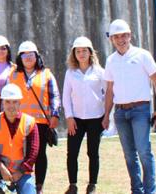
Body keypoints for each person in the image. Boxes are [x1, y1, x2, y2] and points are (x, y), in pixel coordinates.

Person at [102, 19, 156, 194]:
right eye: (116, 37)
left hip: (140, 110)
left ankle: (150, 191)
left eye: (124, 35)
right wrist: (106, 115)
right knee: (129, 155)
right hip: (120, 113)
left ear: (130, 36)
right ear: (111, 39)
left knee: (144, 150)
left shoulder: (142, 55)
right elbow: (109, 90)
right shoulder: (110, 60)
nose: (121, 39)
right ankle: (136, 190)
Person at [9, 41, 60, 194]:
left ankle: (39, 186)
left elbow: (54, 96)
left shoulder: (46, 74)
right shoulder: (14, 75)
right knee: (18, 153)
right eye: (24, 55)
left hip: (40, 123)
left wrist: (55, 114)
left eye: (31, 55)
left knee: (39, 154)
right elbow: (7, 97)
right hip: (19, 121)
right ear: (20, 58)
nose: (28, 58)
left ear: (37, 56)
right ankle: (19, 183)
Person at [0, 84, 38, 194]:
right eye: (7, 102)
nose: (11, 106)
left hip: (22, 171)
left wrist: (20, 172)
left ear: (19, 103)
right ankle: (0, 191)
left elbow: (33, 153)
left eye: (14, 102)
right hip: (0, 167)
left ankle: (15, 188)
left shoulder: (30, 122)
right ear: (2, 103)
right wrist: (1, 167)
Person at [62, 37, 106, 194]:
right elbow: (66, 96)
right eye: (78, 51)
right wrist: (69, 117)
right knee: (72, 152)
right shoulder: (70, 73)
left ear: (90, 52)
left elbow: (108, 94)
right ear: (74, 53)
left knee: (93, 152)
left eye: (84, 51)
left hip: (96, 118)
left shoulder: (100, 72)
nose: (81, 54)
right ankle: (72, 185)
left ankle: (92, 184)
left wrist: (107, 116)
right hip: (76, 119)